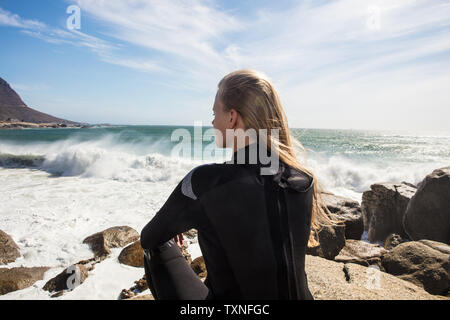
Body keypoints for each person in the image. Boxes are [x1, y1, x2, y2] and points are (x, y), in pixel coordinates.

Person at [140, 69, 341, 300]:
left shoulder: (205, 182)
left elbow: (149, 237)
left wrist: (179, 222)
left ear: (232, 117)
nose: (213, 122)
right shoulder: (303, 180)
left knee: (156, 246)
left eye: (215, 113)